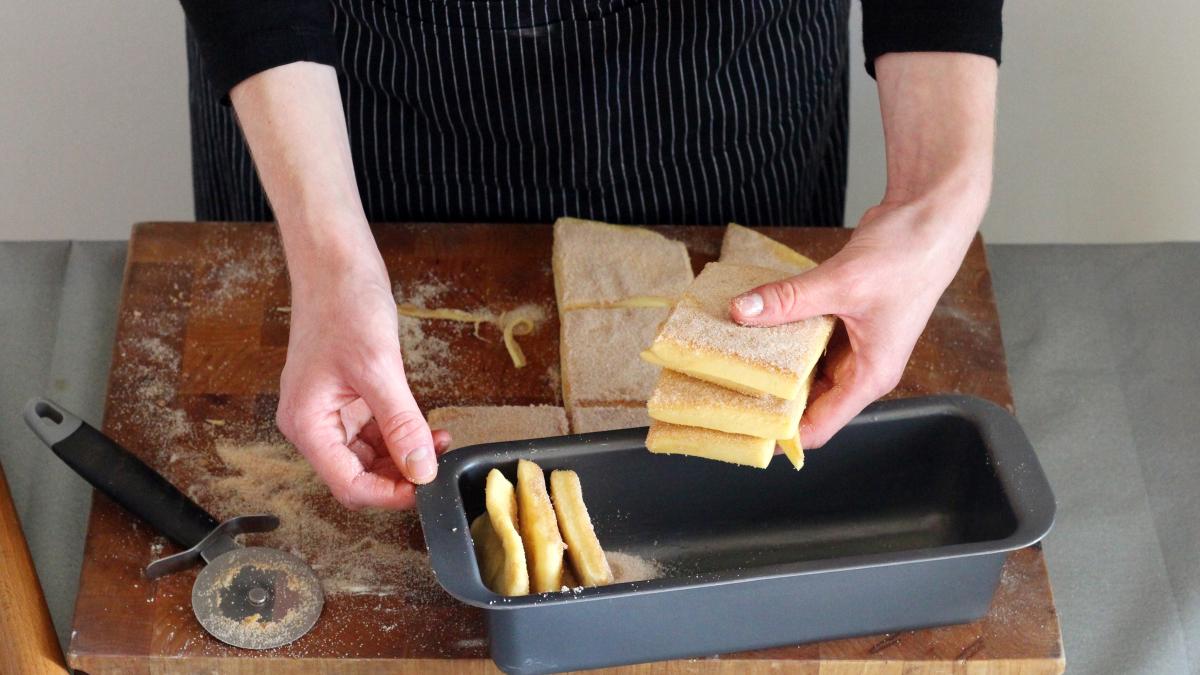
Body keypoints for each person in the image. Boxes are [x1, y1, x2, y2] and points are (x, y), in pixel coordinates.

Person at [179, 0, 1002, 510]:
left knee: (731, 501)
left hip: (732, 76)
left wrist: (937, 194)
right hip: (341, 87)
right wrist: (328, 252)